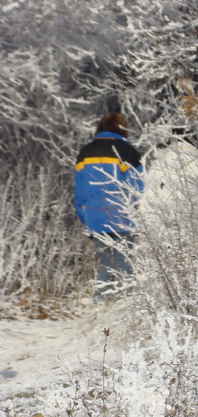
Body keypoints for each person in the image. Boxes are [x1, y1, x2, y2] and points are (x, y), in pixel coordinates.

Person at [73, 111, 144, 297]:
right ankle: (125, 310)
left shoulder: (85, 153)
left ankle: (101, 306)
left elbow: (79, 192)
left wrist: (85, 216)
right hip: (122, 216)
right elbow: (137, 187)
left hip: (94, 217)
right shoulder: (128, 152)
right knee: (125, 265)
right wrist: (135, 212)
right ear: (123, 129)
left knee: (105, 264)